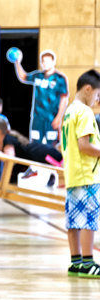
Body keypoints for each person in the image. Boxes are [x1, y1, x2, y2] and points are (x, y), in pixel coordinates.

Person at [59, 70, 100, 278]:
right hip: (87, 174)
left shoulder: (68, 111)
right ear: (88, 89)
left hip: (73, 174)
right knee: (89, 219)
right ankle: (88, 263)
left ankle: (76, 262)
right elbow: (84, 145)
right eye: (98, 95)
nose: (97, 100)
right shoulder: (84, 112)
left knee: (74, 219)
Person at [13, 49, 69, 144]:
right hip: (37, 118)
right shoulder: (38, 75)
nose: (45, 63)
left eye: (47, 61)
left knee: (52, 144)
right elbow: (24, 77)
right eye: (43, 61)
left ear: (53, 62)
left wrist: (59, 117)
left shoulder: (60, 78)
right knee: (35, 144)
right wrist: (17, 62)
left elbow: (64, 98)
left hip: (51, 118)